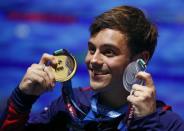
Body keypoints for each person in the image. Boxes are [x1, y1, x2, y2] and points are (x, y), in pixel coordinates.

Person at [0, 5, 184, 131]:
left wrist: (146, 122)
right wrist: (22, 98)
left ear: (141, 59)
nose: (93, 60)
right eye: (91, 49)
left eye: (109, 52)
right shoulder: (68, 106)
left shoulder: (168, 124)